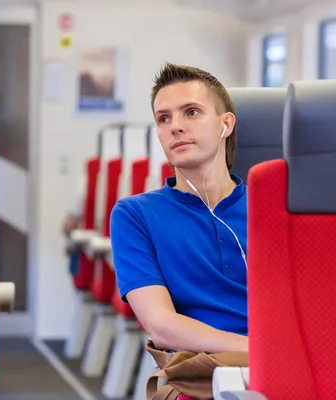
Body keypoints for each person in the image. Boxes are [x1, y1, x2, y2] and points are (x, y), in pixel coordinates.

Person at [110, 62, 247, 354]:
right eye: (163, 119)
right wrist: (264, 354)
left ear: (226, 124)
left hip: (285, 371)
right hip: (202, 374)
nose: (175, 126)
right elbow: (161, 327)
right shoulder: (135, 215)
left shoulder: (272, 207)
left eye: (192, 112)